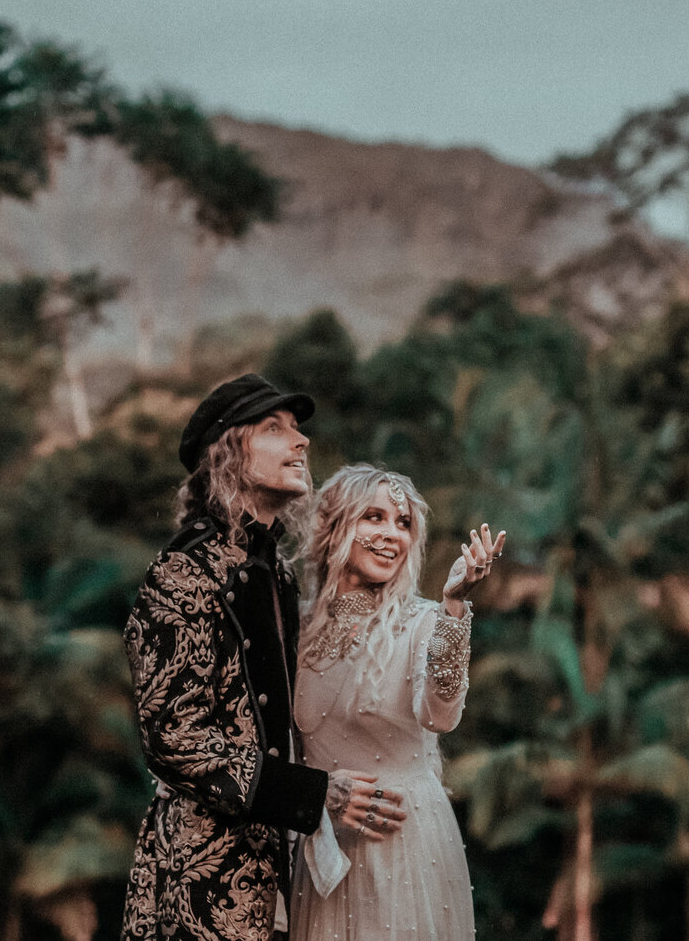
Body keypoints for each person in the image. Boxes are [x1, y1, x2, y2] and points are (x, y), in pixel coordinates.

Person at [123, 375, 407, 941]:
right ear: (226, 451)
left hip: (275, 874)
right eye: (274, 429)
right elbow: (174, 740)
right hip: (196, 886)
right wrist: (315, 792)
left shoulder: (273, 571)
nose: (301, 442)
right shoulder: (184, 572)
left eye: (299, 430)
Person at [289, 465, 504, 941]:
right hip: (322, 842)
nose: (392, 535)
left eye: (403, 523)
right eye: (374, 517)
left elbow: (440, 715)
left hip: (402, 844)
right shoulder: (295, 628)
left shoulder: (424, 621)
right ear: (334, 528)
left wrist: (453, 607)